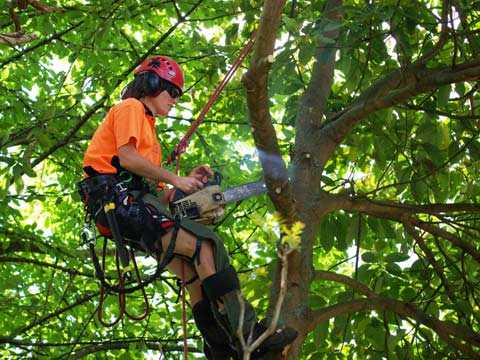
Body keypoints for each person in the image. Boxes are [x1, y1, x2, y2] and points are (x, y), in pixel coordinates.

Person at [80, 55, 297, 359]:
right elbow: (127, 158)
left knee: (191, 270)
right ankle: (248, 333)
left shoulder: (148, 131)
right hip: (118, 203)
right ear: (152, 84)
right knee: (204, 245)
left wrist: (185, 185)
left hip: (131, 207)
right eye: (172, 93)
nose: (174, 101)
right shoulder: (130, 108)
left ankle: (219, 346)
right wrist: (175, 179)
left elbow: (154, 191)